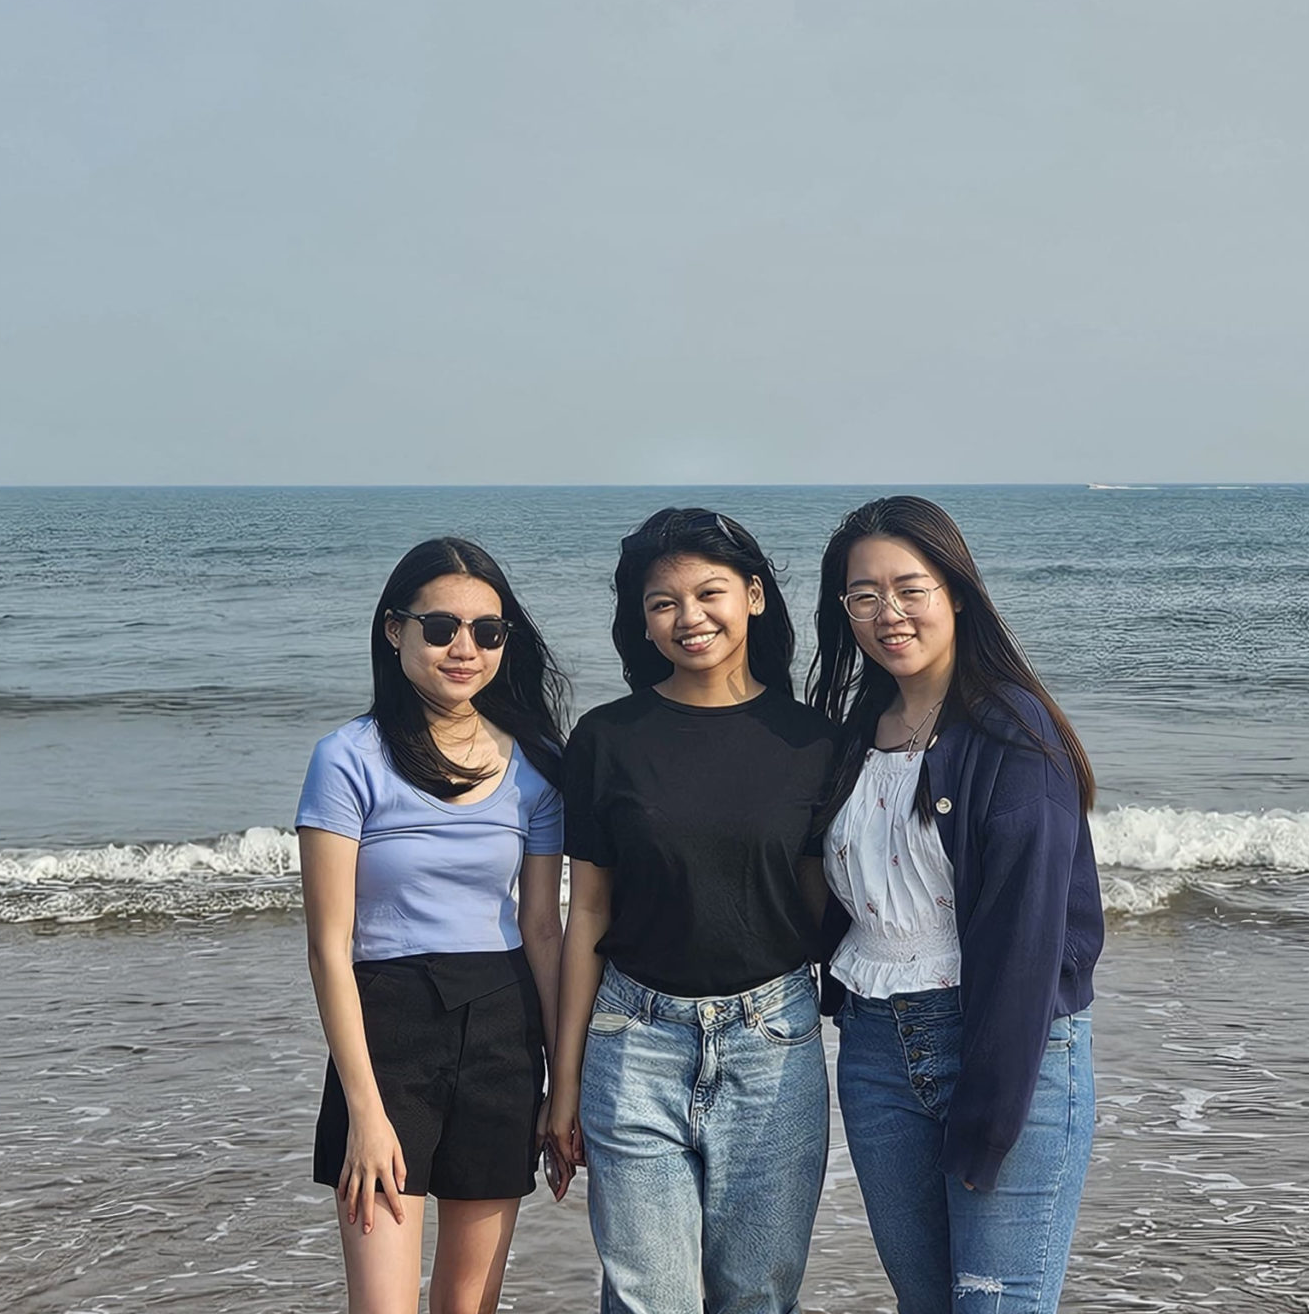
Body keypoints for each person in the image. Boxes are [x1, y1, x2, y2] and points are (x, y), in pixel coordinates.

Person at [806, 495, 1104, 1314]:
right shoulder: (856, 729)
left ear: (957, 592)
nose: (887, 614)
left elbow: (1026, 943)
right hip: (873, 1051)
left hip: (1012, 1055)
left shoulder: (1015, 733)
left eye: (910, 588)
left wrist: (991, 1109)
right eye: (863, 596)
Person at [545, 507, 838, 1314]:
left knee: (759, 1296)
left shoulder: (814, 742)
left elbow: (828, 905)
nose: (689, 618)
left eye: (709, 593)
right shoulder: (607, 739)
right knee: (648, 1301)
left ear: (753, 595)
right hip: (631, 1044)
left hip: (775, 1042)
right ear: (640, 621)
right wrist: (561, 1084)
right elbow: (588, 918)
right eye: (662, 603)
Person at [297, 537, 570, 1314]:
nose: (465, 648)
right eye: (442, 626)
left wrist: (561, 1089)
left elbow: (543, 930)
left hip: (503, 1030)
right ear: (395, 630)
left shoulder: (537, 762)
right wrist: (366, 1112)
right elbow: (328, 947)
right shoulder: (347, 758)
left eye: (488, 632)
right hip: (388, 1032)